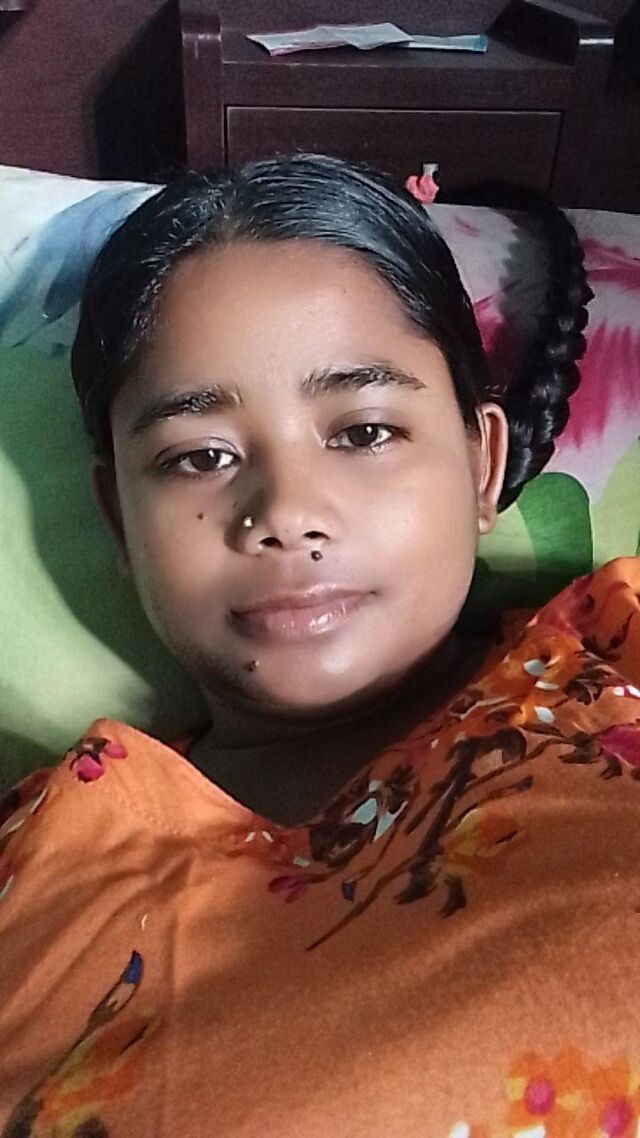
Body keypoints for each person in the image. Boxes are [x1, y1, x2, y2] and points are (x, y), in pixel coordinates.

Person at [0, 153, 638, 1138]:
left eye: (363, 432)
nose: (287, 511)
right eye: (200, 455)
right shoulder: (32, 878)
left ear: (481, 464)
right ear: (119, 522)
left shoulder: (618, 655)